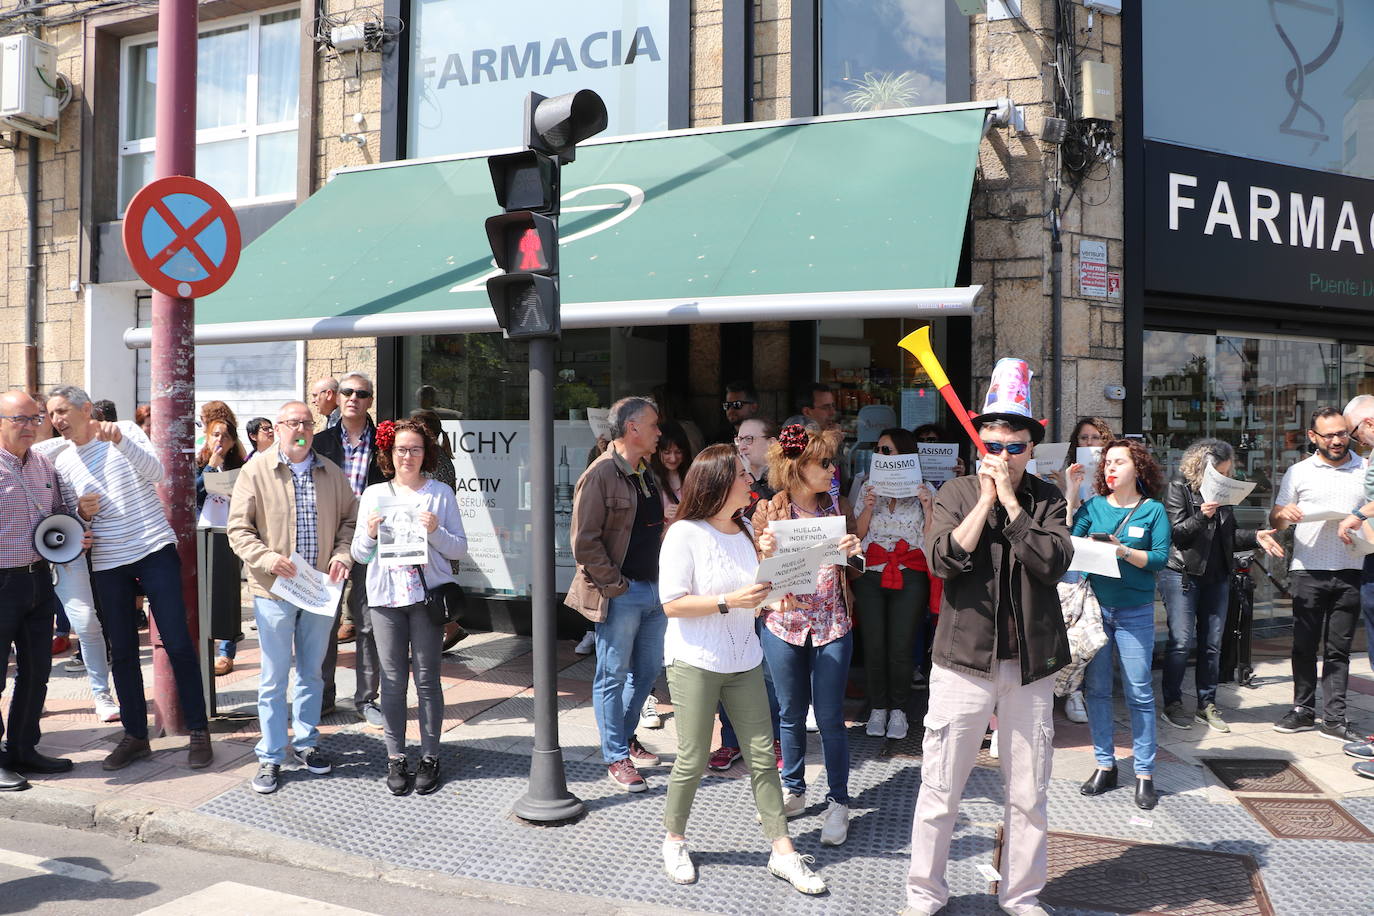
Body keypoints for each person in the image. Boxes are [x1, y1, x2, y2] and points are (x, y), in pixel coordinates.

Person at [904, 361, 1072, 916]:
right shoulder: (954, 492)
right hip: (961, 662)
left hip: (1030, 665)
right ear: (980, 446)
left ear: (1032, 448)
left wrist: (1015, 507)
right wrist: (983, 500)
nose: (1003, 456)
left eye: (1015, 446)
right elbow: (943, 561)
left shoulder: (1047, 499)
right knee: (940, 788)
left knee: (1029, 794)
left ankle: (1021, 895)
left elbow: (1052, 561)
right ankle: (924, 893)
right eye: (993, 444)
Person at [656, 444, 827, 894]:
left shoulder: (748, 528)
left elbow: (757, 593)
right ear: (718, 482)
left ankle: (783, 851)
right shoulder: (684, 534)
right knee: (692, 757)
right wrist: (730, 601)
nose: (751, 481)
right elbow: (672, 604)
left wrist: (776, 594)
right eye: (742, 475)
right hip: (695, 659)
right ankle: (674, 840)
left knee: (761, 755)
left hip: (745, 658)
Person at [46, 385, 213, 771]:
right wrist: (80, 514)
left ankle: (198, 730)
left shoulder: (124, 430)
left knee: (177, 641)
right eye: (52, 414)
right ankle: (135, 736)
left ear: (86, 409)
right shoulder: (62, 461)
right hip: (107, 561)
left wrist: (121, 441)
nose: (56, 421)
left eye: (61, 411)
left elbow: (157, 473)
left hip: (153, 547)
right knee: (121, 651)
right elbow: (73, 521)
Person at [227, 401, 357, 795]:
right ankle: (270, 754)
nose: (299, 428)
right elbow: (238, 530)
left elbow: (350, 520)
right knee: (273, 677)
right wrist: (267, 558)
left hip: (318, 590)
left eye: (306, 422)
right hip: (273, 590)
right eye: (291, 422)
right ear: (278, 428)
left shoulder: (331, 473)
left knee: (312, 672)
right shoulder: (256, 470)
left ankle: (306, 742)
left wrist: (342, 554)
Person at [752, 423, 862, 846]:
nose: (832, 470)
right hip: (784, 625)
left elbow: (858, 567)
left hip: (832, 622)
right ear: (797, 467)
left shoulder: (838, 504)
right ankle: (794, 789)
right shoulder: (769, 510)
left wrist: (855, 553)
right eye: (824, 463)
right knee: (789, 712)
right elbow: (756, 578)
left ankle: (838, 801)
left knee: (832, 717)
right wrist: (763, 552)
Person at [352, 419, 467, 796]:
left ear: (426, 453)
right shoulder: (373, 495)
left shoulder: (440, 494)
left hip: (425, 597)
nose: (408, 456)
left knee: (428, 680)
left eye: (415, 449)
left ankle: (430, 756)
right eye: (401, 449)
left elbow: (458, 550)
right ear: (389, 453)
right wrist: (369, 533)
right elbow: (358, 553)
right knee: (392, 681)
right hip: (386, 598)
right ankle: (396, 757)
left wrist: (435, 530)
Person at [564, 396, 667, 792]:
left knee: (645, 673)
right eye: (654, 425)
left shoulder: (646, 471)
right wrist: (617, 586)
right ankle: (616, 756)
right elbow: (585, 543)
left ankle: (623, 739)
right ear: (633, 429)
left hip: (654, 589)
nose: (660, 432)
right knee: (612, 675)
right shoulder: (601, 474)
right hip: (622, 592)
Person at [1070, 439, 1170, 811]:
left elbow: (1159, 559)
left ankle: (1144, 773)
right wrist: (1069, 492)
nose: (1110, 468)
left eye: (1119, 462)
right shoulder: (1093, 506)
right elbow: (1068, 538)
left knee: (1139, 691)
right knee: (1096, 690)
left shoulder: (1153, 510)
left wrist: (1121, 549)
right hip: (1095, 609)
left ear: (1137, 468)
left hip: (1135, 612)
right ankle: (1105, 764)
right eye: (1107, 462)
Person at [1159, 439, 1283, 733]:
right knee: (1180, 643)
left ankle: (1206, 705)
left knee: (1212, 645)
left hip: (1217, 576)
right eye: (1222, 471)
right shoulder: (1178, 487)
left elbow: (1230, 535)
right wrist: (1203, 514)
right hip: (1182, 574)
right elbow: (1176, 534)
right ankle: (1173, 704)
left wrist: (1255, 536)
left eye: (1228, 471)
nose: (1226, 476)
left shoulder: (1224, 492)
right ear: (1204, 468)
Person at [0, 391, 87, 790]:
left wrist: (78, 530)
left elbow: (62, 513)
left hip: (38, 579)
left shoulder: (44, 465)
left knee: (36, 672)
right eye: (20, 419)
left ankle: (23, 749)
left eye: (36, 419)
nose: (31, 427)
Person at [1270, 407, 1366, 744]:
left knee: (1339, 649)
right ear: (1313, 437)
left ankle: (1335, 718)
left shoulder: (1365, 468)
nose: (1338, 440)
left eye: (1342, 433)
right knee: (1304, 645)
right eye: (1329, 435)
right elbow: (1276, 519)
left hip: (1351, 569)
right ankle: (1302, 709)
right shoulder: (1298, 472)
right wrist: (1284, 514)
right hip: (1308, 568)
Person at [853, 427, 933, 741]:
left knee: (900, 645)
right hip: (871, 572)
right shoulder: (867, 489)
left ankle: (899, 709)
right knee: (874, 644)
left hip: (909, 572)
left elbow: (932, 540)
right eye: (881, 450)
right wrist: (870, 505)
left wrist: (927, 506)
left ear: (906, 455)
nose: (885, 456)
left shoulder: (924, 489)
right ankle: (878, 707)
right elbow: (857, 535)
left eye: (890, 450)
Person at [314, 372, 386, 723]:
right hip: (330, 541)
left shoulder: (384, 444)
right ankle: (323, 696)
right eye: (347, 392)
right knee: (324, 620)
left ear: (370, 400)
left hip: (372, 540)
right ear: (337, 397)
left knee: (369, 621)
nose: (353, 397)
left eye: (361, 393)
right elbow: (292, 464)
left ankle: (367, 699)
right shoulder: (318, 442)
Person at [1058, 416, 1115, 726]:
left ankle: (1090, 689)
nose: (1090, 443)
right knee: (1073, 623)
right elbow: (1064, 527)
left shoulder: (1118, 474)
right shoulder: (1067, 473)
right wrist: (1071, 489)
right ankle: (1072, 690)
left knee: (1099, 626)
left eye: (1096, 438)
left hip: (1106, 556)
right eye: (1084, 438)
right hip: (1075, 559)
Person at [195, 414, 247, 675]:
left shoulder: (241, 466)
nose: (219, 439)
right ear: (207, 436)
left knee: (228, 592)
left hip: (232, 533)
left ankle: (226, 652)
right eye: (215, 434)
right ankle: (204, 643)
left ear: (232, 441)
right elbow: (192, 493)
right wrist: (209, 469)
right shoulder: (199, 462)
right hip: (204, 532)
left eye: (225, 435)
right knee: (203, 590)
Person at [651, 421, 693, 522]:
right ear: (657, 451)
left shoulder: (693, 475)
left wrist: (686, 511)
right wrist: (662, 514)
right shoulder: (650, 478)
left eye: (678, 452)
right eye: (667, 452)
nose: (673, 458)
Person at [735, 417, 778, 504]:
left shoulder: (786, 478)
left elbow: (764, 510)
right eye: (739, 440)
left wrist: (748, 475)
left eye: (748, 439)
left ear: (771, 443)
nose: (741, 447)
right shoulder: (734, 479)